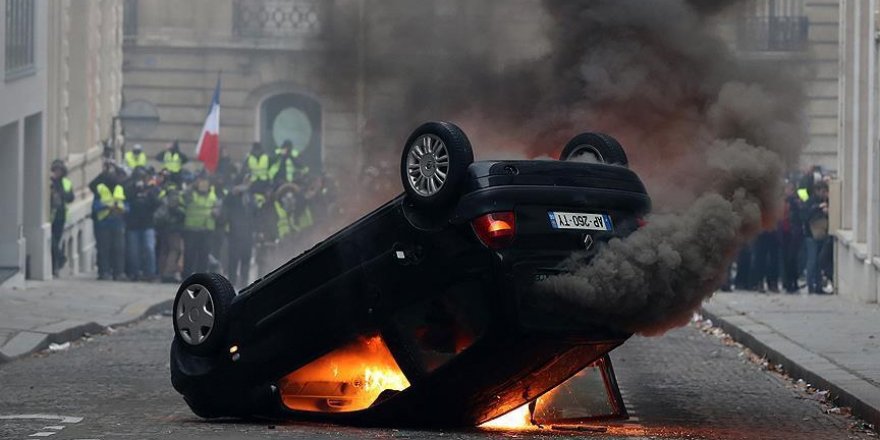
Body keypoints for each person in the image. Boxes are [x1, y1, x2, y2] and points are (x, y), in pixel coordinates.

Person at [90, 163, 128, 281]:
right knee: (103, 248)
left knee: (119, 249)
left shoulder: (120, 189)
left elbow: (127, 205)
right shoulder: (101, 189)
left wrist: (122, 209)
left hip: (117, 222)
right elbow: (95, 206)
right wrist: (107, 206)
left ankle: (118, 272)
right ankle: (104, 272)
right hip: (103, 223)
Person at [124, 168, 161, 281]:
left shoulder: (151, 190)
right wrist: (136, 190)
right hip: (133, 225)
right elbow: (126, 200)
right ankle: (135, 273)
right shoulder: (129, 189)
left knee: (149, 248)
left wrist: (148, 192)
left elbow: (157, 204)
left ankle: (150, 273)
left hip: (147, 224)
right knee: (133, 251)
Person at [182, 172, 220, 277]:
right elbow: (184, 198)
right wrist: (192, 187)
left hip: (207, 229)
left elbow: (217, 207)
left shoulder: (212, 194)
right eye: (201, 181)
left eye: (205, 181)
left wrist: (216, 212)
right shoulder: (190, 193)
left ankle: (201, 277)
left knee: (204, 255)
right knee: (189, 254)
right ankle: (186, 275)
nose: (203, 184)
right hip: (192, 229)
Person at [223, 172, 257, 288]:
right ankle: (231, 283)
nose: (248, 183)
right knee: (233, 260)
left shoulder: (251, 196)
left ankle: (244, 283)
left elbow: (254, 212)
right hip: (235, 232)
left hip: (248, 232)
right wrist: (233, 193)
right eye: (246, 181)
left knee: (246, 259)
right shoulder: (233, 195)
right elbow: (226, 205)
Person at [154, 185, 186, 283]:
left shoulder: (162, 199)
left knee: (164, 251)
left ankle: (161, 272)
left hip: (163, 230)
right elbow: (180, 213)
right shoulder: (175, 199)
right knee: (175, 250)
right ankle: (168, 273)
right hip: (173, 230)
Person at [804, 181, 830, 294]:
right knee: (812, 261)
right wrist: (818, 208)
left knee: (819, 261)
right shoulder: (810, 200)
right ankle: (810, 286)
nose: (825, 194)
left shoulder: (826, 201)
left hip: (822, 234)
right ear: (817, 191)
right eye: (823, 191)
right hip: (810, 235)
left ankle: (818, 286)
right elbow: (806, 214)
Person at [49, 159, 74, 277]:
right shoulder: (49, 181)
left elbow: (70, 197)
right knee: (52, 241)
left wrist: (61, 193)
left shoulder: (66, 182)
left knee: (56, 241)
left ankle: (55, 267)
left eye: (59, 170)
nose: (57, 172)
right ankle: (60, 258)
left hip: (61, 215)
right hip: (49, 216)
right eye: (56, 170)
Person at [780, 180, 804, 293]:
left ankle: (792, 281)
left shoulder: (796, 201)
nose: (788, 191)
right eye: (787, 189)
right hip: (785, 233)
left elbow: (804, 208)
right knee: (787, 259)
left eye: (790, 189)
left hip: (793, 233)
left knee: (792, 259)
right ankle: (788, 282)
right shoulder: (783, 201)